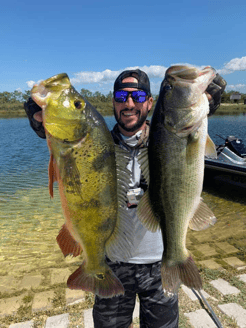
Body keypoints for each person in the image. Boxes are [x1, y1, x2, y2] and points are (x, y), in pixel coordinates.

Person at [24, 68, 226, 328]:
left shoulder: (166, 139)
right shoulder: (97, 143)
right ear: (113, 102)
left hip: (159, 263)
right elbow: (68, 144)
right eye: (121, 96)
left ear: (150, 103)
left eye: (138, 96)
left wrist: (206, 101)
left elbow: (186, 133)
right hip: (113, 264)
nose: (129, 104)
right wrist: (42, 121)